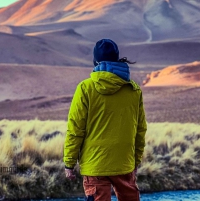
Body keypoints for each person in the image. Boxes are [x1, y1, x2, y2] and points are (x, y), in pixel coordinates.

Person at [63, 39, 147, 201]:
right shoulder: (133, 89)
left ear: (95, 61)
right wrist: (135, 160)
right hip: (124, 164)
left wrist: (69, 163)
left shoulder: (85, 88)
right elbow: (140, 129)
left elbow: (75, 129)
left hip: (95, 165)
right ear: (116, 59)